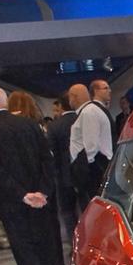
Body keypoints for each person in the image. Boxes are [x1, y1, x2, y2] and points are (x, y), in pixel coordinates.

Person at [0, 87, 64, 265]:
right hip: (41, 199)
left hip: (13, 202)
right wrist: (43, 192)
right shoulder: (30, 124)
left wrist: (22, 195)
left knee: (25, 251)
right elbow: (47, 160)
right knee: (46, 247)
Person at [68, 80, 113, 214]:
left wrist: (82, 170)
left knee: (94, 210)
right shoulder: (90, 111)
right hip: (94, 166)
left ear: (74, 97)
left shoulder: (88, 112)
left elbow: (91, 146)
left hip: (94, 169)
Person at [46, 93, 78, 244]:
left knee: (67, 212)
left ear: (60, 106)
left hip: (63, 175)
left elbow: (51, 153)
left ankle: (74, 242)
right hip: (84, 173)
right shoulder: (80, 119)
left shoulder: (54, 126)